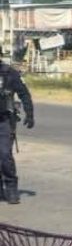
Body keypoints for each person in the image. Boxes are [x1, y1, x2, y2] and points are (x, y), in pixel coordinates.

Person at [0, 57, 34, 204]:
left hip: (5, 120)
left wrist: (30, 113)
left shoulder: (9, 73)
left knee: (5, 155)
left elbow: (24, 94)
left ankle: (11, 187)